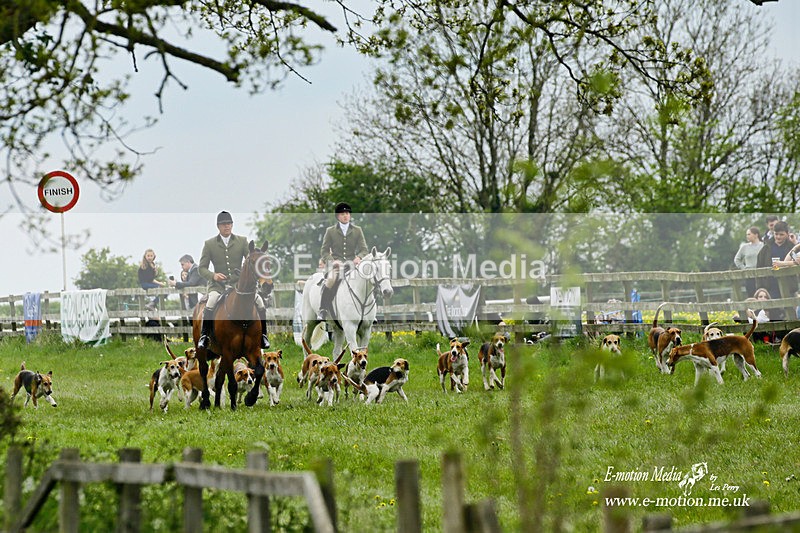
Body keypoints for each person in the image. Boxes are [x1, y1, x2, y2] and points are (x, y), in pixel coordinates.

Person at [196, 211, 269, 350]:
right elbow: (202, 268)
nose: (227, 226)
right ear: (218, 226)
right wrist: (213, 276)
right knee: (210, 303)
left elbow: (251, 259)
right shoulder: (209, 244)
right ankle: (205, 336)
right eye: (224, 224)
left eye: (229, 224)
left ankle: (263, 336)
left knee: (260, 303)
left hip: (238, 285)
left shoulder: (242, 241)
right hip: (217, 286)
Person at [317, 202, 369, 320]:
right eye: (342, 214)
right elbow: (324, 251)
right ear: (338, 216)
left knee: (368, 280)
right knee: (330, 280)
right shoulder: (330, 231)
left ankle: (369, 312)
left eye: (347, 213)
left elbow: (364, 249)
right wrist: (332, 261)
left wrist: (359, 257)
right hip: (336, 266)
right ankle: (323, 309)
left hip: (352, 264)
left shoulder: (357, 230)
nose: (345, 215)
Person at [756, 220, 796, 299]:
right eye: (776, 234)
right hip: (770, 286)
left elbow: (797, 261)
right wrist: (760, 287)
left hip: (788, 285)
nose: (778, 237)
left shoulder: (792, 248)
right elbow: (759, 267)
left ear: (787, 234)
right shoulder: (766, 248)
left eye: (781, 234)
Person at [734, 226, 763, 297]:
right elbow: (737, 259)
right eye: (747, 234)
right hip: (749, 275)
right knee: (751, 295)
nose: (747, 236)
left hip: (762, 275)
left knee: (762, 295)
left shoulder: (763, 245)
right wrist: (744, 269)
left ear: (756, 235)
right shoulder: (744, 247)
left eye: (749, 234)